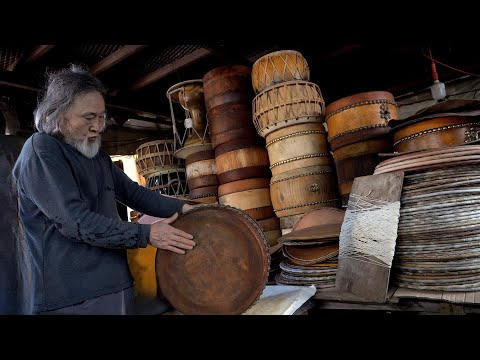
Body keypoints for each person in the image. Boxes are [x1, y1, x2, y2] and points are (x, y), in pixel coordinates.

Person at [12, 64, 197, 315]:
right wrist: (146, 234)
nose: (98, 126)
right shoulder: (42, 150)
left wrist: (187, 209)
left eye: (101, 117)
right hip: (71, 297)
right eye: (89, 117)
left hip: (115, 284)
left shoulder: (97, 157)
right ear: (57, 114)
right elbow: (75, 221)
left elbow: (135, 194)